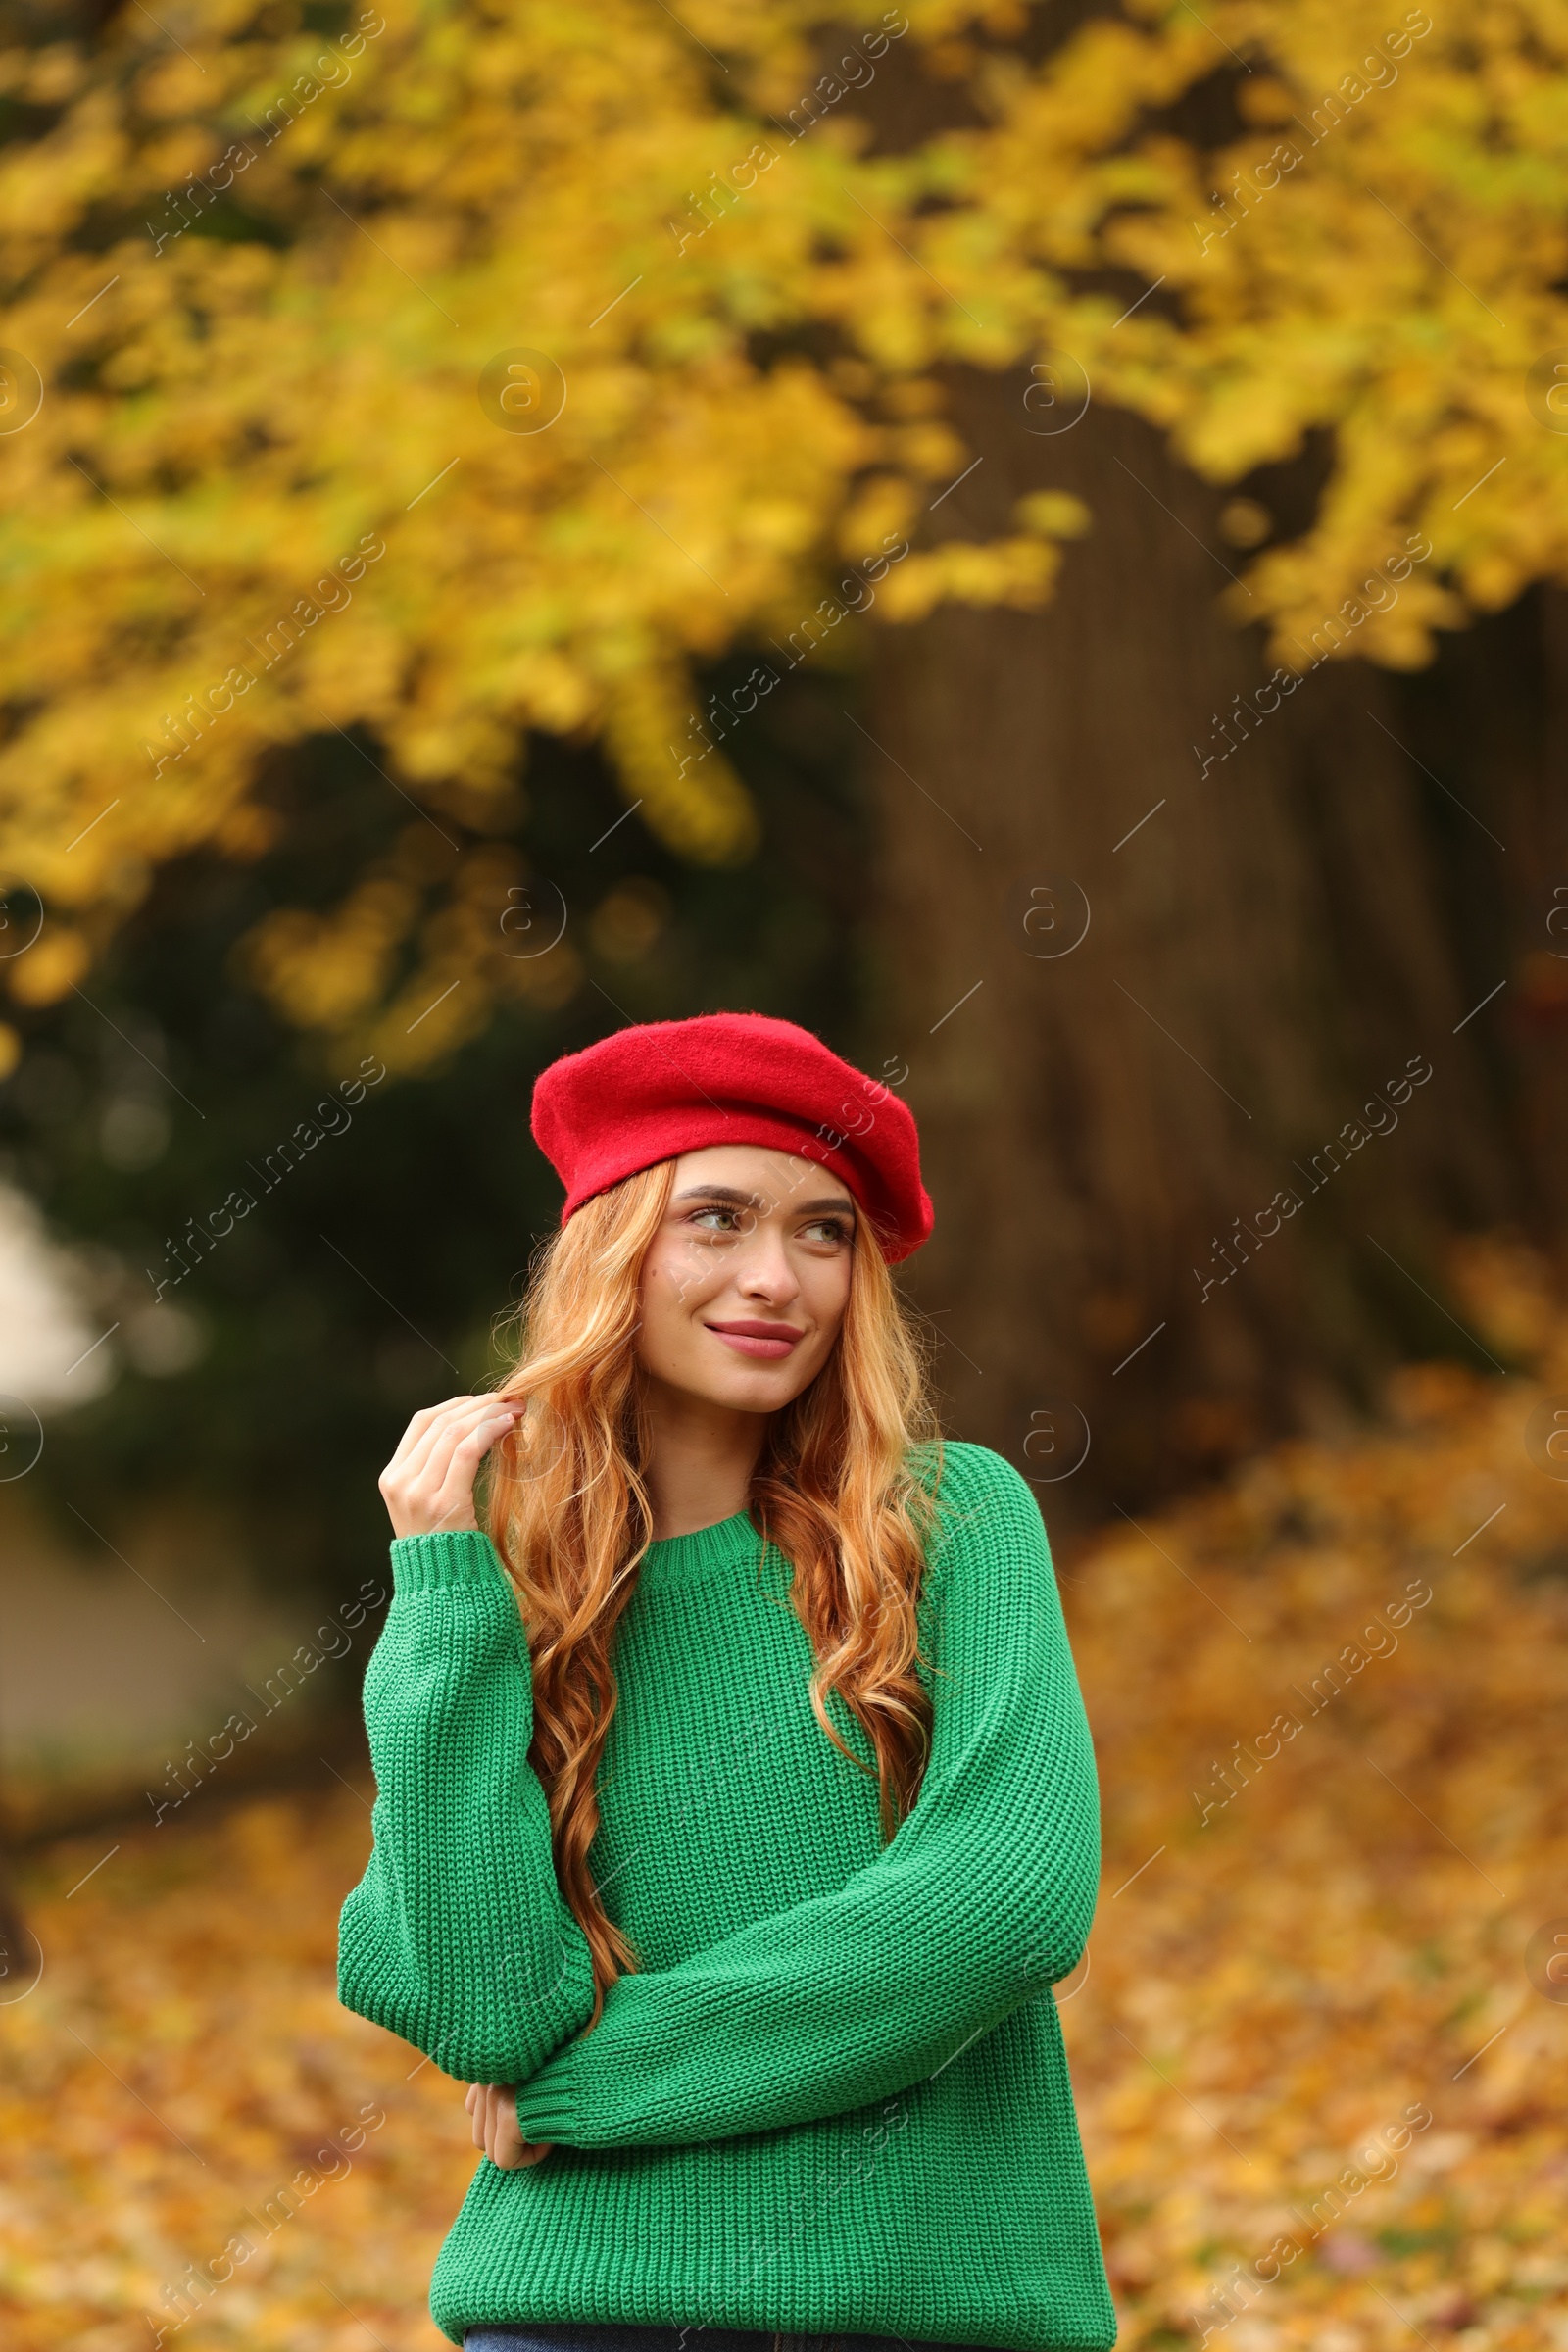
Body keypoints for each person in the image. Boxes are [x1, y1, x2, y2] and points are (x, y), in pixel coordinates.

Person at [338, 1011, 1116, 2352]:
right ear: (612, 1251)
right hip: (571, 2315)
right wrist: (442, 1599)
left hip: (922, 2312)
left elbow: (1006, 1904)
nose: (780, 1276)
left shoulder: (951, 1525)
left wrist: (587, 2087)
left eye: (824, 1231)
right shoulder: (502, 1607)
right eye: (718, 1219)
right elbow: (484, 2008)